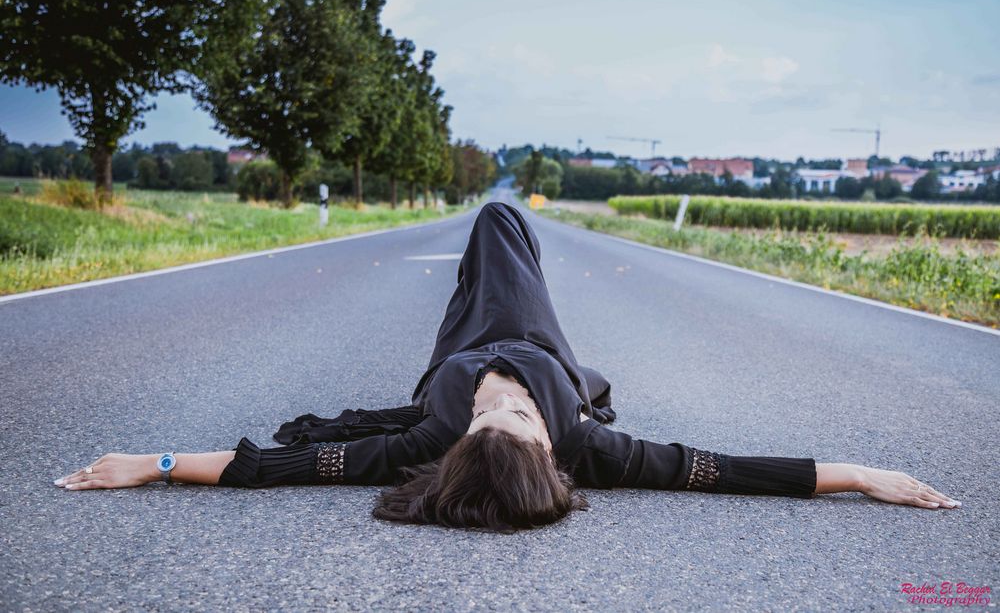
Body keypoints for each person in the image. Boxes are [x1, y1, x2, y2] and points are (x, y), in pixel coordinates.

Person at [54, 201, 961, 532]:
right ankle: (520, 248)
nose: (502, 405)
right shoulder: (584, 444)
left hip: (455, 342)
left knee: (481, 241)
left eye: (497, 417)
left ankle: (488, 247)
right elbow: (722, 471)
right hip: (537, 336)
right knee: (501, 224)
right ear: (550, 443)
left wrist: (154, 462)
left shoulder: (438, 426)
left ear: (462, 440)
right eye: (513, 418)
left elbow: (272, 469)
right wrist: (860, 475)